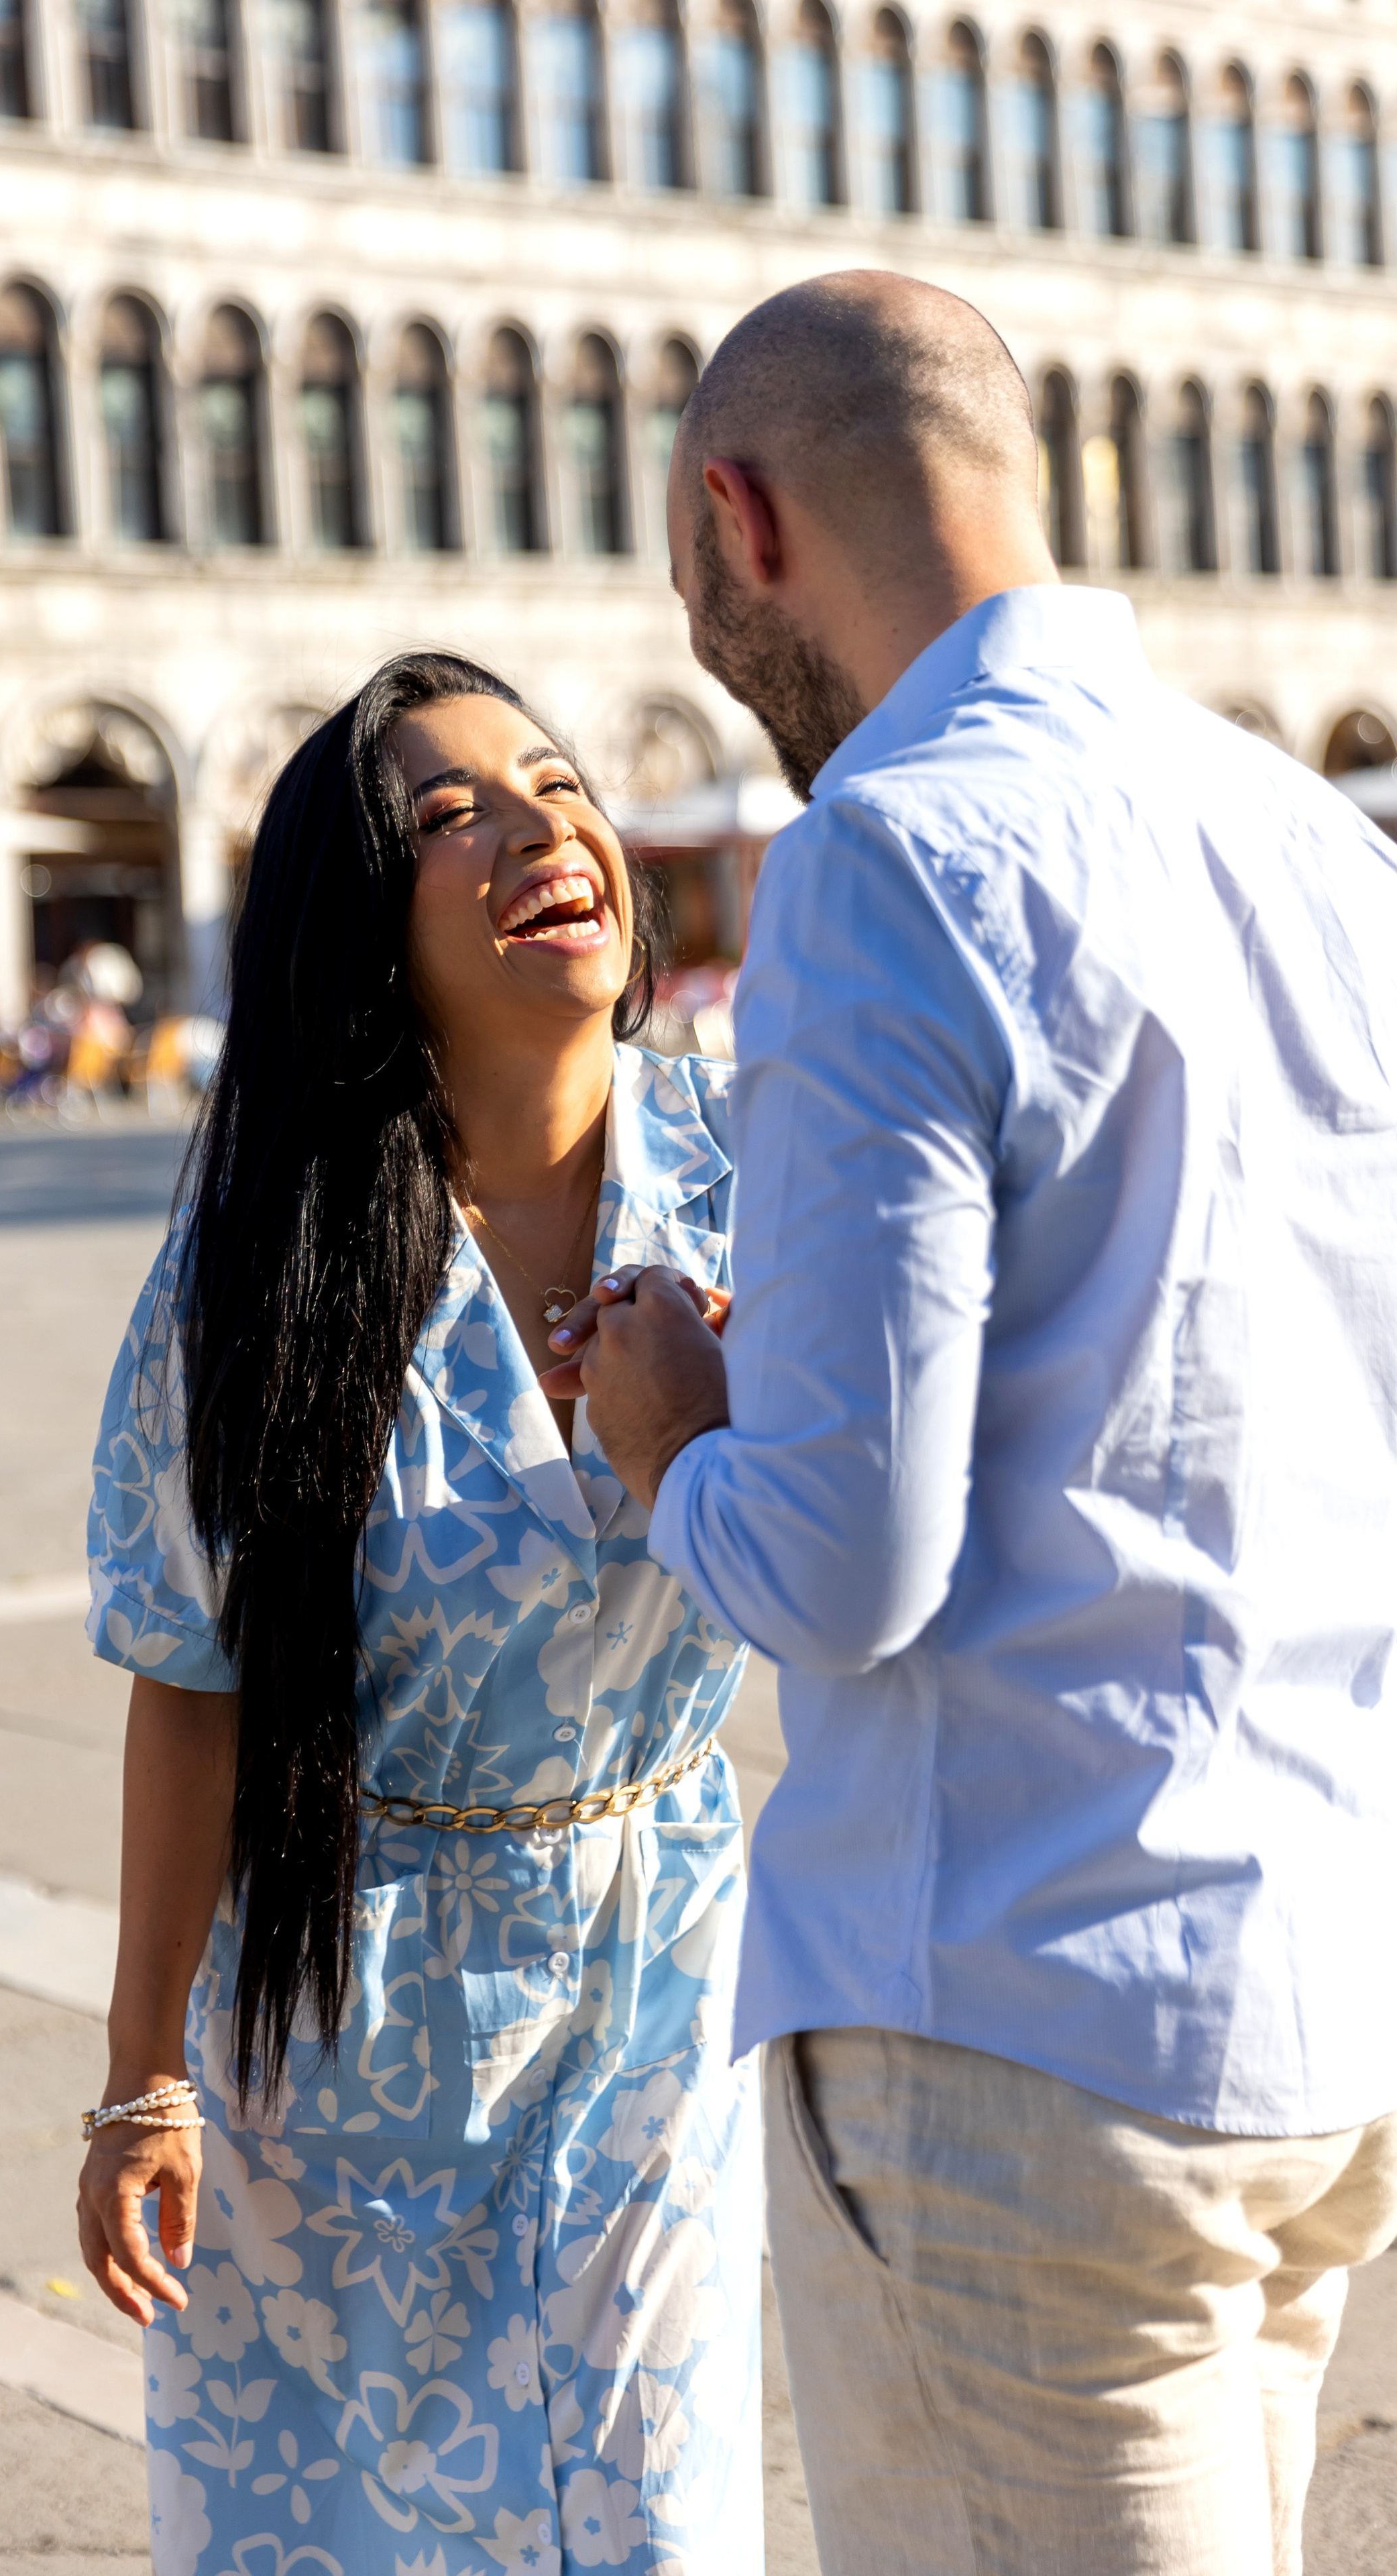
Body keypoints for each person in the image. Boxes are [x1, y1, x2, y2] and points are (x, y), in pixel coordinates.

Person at [547, 271, 1397, 2575]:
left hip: (1016, 2023)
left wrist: (670, 1434)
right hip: (1321, 2002)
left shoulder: (893, 852)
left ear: (740, 520)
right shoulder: (1323, 850)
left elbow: (843, 1559)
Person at [76, 651, 761, 2576]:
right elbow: (192, 1679)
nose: (545, 825)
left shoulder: (760, 1170)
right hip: (337, 2022)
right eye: (450, 813)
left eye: (557, 784)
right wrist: (141, 2080)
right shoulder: (259, 1268)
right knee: (348, 2531)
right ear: (361, 927)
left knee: (651, 2518)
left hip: (662, 1968)